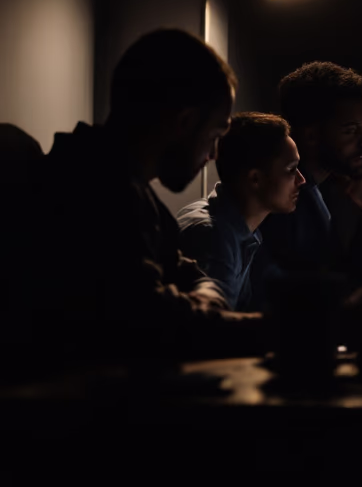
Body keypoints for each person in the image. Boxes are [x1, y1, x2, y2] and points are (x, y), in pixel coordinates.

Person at [10, 28, 265, 369]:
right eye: (216, 134)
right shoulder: (90, 191)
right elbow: (155, 323)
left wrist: (201, 300)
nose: (215, 153)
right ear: (184, 121)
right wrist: (289, 329)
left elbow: (190, 275)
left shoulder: (133, 191)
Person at [254, 61, 362, 306]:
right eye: (351, 130)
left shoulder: (314, 193)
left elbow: (343, 280)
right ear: (311, 135)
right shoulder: (281, 201)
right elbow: (312, 301)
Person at [176, 112, 306, 312]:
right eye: (291, 169)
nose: (301, 180)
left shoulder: (242, 230)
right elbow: (214, 332)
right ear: (255, 179)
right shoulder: (213, 236)